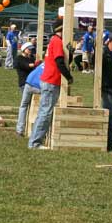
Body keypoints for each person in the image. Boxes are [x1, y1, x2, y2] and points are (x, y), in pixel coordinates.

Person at [28, 18, 73, 149]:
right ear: (62, 29)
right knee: (45, 112)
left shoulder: (55, 41)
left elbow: (62, 60)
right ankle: (35, 143)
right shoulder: (57, 42)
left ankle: (34, 140)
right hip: (51, 81)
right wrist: (69, 77)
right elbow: (59, 62)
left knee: (44, 111)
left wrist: (70, 53)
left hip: (48, 80)